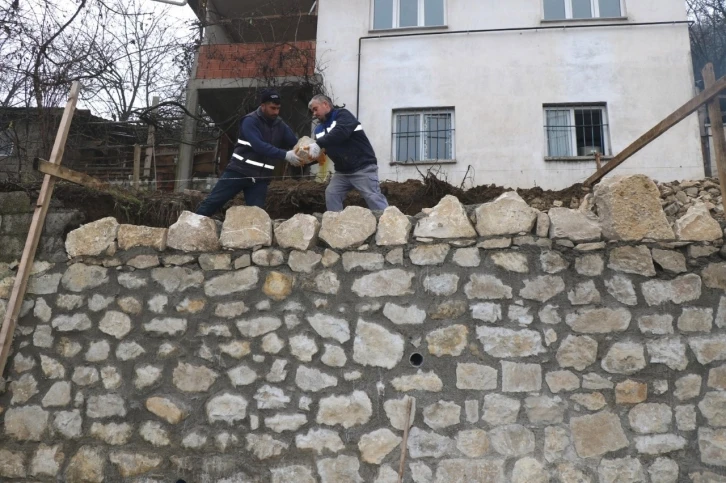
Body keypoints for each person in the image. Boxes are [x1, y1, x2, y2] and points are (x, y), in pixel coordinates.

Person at [196, 89, 301, 216]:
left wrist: (309, 151)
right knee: (213, 202)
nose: (276, 112)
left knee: (257, 215)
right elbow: (259, 146)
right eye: (272, 108)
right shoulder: (250, 121)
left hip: (260, 178)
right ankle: (189, 228)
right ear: (262, 106)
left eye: (278, 108)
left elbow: (294, 143)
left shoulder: (280, 124)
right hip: (239, 171)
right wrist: (285, 155)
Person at [306, 95, 388, 212]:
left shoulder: (343, 115)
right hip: (342, 172)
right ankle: (335, 223)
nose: (314, 114)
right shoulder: (319, 130)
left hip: (363, 168)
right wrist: (303, 159)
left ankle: (390, 223)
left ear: (325, 104)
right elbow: (319, 152)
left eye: (315, 109)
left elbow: (341, 132)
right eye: (312, 111)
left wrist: (318, 144)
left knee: (373, 197)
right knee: (332, 193)